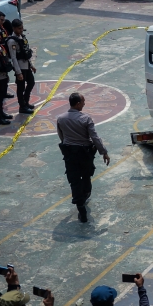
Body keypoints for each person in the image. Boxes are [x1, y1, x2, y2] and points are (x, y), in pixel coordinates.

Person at [56, 92, 111, 223]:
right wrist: (104, 152)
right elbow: (95, 137)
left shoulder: (61, 118)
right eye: (83, 101)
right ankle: (85, 195)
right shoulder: (86, 118)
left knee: (74, 180)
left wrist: (68, 145)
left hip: (69, 153)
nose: (85, 103)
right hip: (85, 153)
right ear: (78, 103)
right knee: (86, 176)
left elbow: (61, 136)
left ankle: (80, 208)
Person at [6, 19, 37, 115]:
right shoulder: (12, 41)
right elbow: (14, 58)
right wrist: (18, 72)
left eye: (22, 28)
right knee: (21, 87)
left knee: (31, 82)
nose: (21, 30)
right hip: (20, 67)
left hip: (26, 65)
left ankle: (26, 101)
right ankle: (22, 106)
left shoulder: (22, 37)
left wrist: (31, 65)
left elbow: (26, 52)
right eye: (19, 28)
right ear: (14, 28)